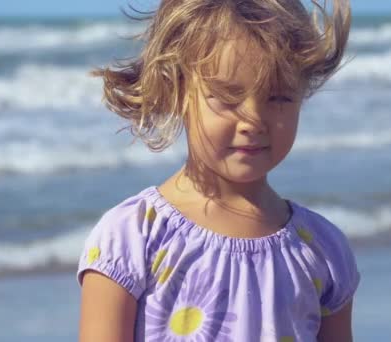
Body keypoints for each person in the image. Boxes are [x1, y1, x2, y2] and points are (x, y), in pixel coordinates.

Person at [77, 0, 360, 341]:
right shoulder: (133, 238)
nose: (253, 120)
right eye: (227, 97)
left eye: (279, 97)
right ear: (177, 90)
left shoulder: (322, 250)